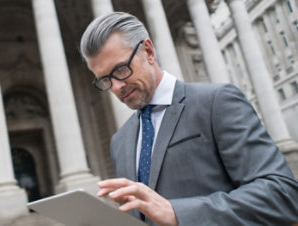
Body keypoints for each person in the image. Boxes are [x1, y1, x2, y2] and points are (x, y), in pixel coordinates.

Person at [79, 12, 298, 226]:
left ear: (148, 51)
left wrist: (178, 214)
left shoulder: (216, 102)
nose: (116, 87)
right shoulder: (120, 141)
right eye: (105, 80)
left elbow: (282, 194)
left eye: (120, 70)